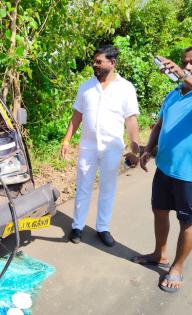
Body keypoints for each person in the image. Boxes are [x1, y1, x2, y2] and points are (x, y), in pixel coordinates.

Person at [133, 45, 192, 293]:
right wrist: (148, 149)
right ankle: (160, 253)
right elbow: (160, 124)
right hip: (165, 168)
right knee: (159, 211)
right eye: (184, 62)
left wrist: (181, 74)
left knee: (187, 223)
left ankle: (177, 268)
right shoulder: (174, 93)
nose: (188, 66)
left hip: (191, 174)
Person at [61, 45, 140, 247]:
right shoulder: (85, 87)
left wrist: (135, 148)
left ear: (112, 63)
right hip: (88, 147)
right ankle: (77, 226)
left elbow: (130, 120)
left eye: (99, 61)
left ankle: (102, 228)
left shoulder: (126, 88)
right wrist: (67, 139)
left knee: (108, 187)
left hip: (112, 147)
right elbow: (77, 115)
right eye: (94, 61)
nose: (94, 65)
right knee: (83, 187)